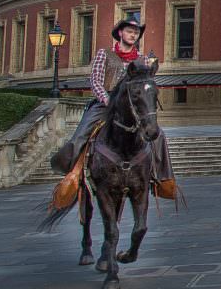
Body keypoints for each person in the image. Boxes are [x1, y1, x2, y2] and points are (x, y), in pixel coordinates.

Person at [50, 19, 176, 197]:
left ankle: (163, 180)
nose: (133, 35)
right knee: (82, 132)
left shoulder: (143, 60)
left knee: (158, 134)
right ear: (120, 34)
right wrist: (108, 101)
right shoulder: (105, 54)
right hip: (105, 105)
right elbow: (95, 82)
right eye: (130, 31)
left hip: (132, 108)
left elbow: (146, 85)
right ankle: (73, 175)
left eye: (136, 33)